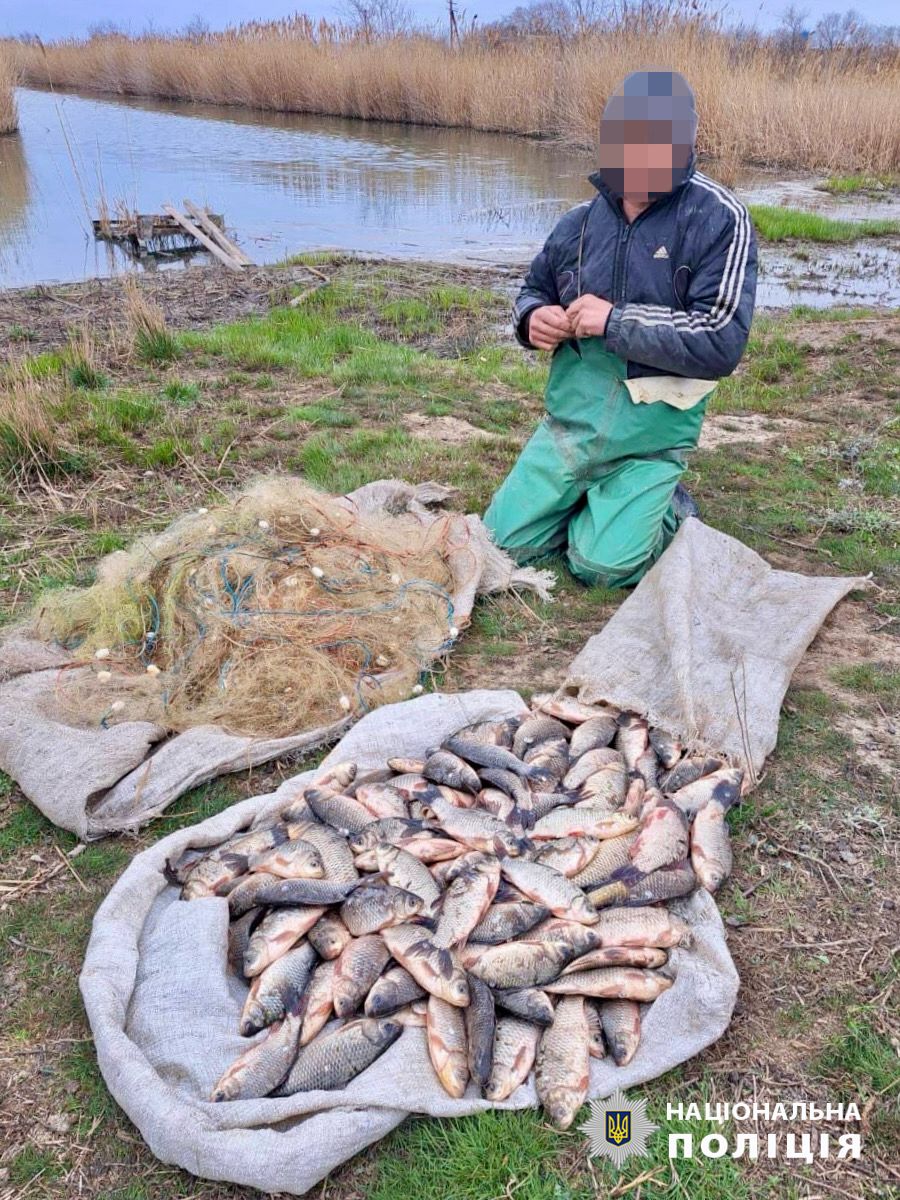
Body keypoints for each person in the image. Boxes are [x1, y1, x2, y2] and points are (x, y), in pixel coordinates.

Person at [484, 70, 757, 588]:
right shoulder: (578, 223)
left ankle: (665, 504)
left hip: (648, 438)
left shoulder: (720, 219)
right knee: (500, 544)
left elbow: (722, 339)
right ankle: (589, 503)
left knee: (602, 567)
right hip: (572, 427)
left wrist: (615, 320)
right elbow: (534, 288)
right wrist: (531, 319)